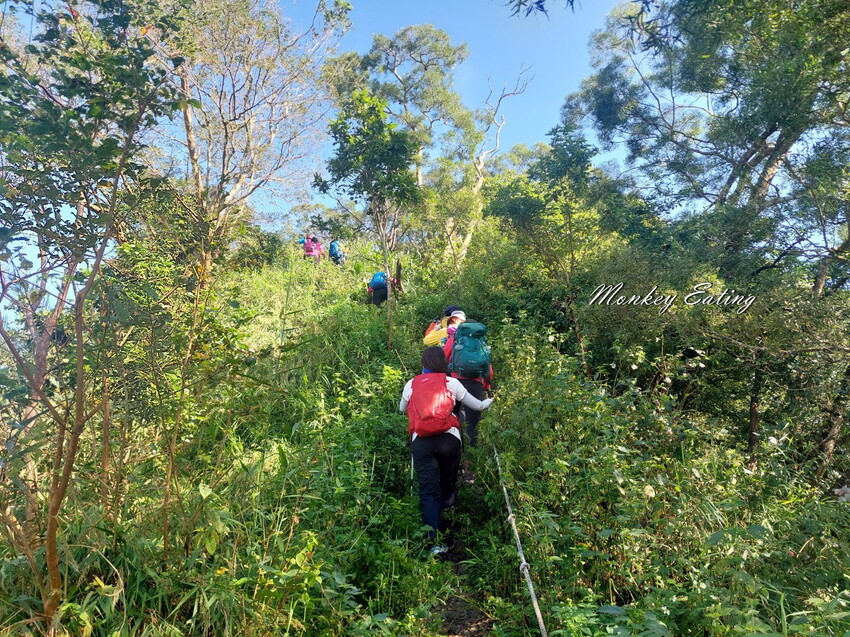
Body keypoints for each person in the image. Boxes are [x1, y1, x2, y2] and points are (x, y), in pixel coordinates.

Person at [400, 346, 493, 555]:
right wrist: (492, 400)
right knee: (447, 487)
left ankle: (432, 543)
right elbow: (478, 406)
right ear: (444, 362)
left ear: (424, 363)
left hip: (421, 441)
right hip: (449, 440)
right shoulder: (452, 382)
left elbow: (401, 409)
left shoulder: (412, 383)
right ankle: (448, 539)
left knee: (428, 491)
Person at [446, 320, 493, 482]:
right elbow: (488, 368)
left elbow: (444, 358)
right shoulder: (481, 342)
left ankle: (452, 468)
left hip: (455, 383)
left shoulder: (455, 340)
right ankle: (469, 473)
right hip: (476, 385)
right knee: (472, 428)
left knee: (452, 424)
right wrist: (485, 385)